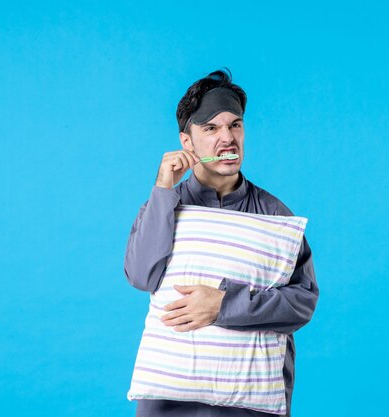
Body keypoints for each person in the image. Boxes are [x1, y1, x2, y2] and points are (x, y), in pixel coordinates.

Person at [124, 68, 319, 417]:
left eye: (235, 125)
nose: (227, 138)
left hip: (251, 405)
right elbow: (141, 276)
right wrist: (162, 189)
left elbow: (302, 303)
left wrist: (224, 304)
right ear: (187, 142)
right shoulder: (164, 204)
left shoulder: (275, 215)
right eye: (211, 128)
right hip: (169, 404)